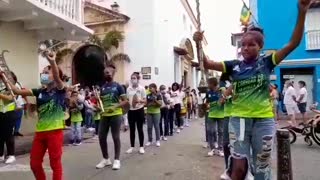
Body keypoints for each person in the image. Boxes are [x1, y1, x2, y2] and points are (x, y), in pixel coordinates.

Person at [193, 0, 310, 179]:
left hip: (263, 121)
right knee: (238, 168)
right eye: (243, 45)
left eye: (251, 45)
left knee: (261, 168)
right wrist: (198, 44)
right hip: (238, 120)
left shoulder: (267, 62)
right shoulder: (233, 66)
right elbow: (206, 63)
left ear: (260, 46)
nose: (245, 48)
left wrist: (302, 11)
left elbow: (292, 44)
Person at [7, 51, 66, 180]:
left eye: (46, 72)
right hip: (40, 132)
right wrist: (4, 77)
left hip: (55, 132)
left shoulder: (60, 90)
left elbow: (56, 77)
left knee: (54, 163)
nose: (43, 74)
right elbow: (16, 91)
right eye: (43, 72)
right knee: (34, 164)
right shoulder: (39, 91)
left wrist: (52, 62)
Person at [96, 63, 128, 170]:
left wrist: (115, 107)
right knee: (101, 137)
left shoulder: (118, 86)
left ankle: (117, 160)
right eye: (105, 73)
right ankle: (106, 159)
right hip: (104, 115)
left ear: (113, 73)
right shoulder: (102, 88)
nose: (106, 74)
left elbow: (125, 102)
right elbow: (100, 103)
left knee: (115, 137)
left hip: (116, 114)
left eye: (108, 72)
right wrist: (97, 108)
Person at [126, 72, 146, 154]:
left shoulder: (142, 89)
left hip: (139, 110)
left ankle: (141, 147)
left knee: (140, 129)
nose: (132, 80)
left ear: (138, 79)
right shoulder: (128, 89)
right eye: (132, 78)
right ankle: (132, 147)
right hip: (131, 111)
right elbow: (127, 100)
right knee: (132, 130)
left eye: (134, 78)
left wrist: (139, 100)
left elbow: (145, 101)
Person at [205, 77, 224, 157]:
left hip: (221, 114)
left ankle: (220, 149)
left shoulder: (221, 91)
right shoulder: (208, 92)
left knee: (221, 132)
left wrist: (221, 101)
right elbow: (206, 102)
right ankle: (212, 149)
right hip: (211, 114)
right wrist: (207, 105)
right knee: (210, 131)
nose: (208, 85)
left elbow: (224, 101)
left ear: (213, 84)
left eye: (209, 83)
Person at [219, 73, 233, 179]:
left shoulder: (241, 80)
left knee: (240, 144)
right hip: (228, 116)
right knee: (226, 143)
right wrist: (227, 94)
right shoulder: (223, 84)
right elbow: (222, 99)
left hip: (241, 115)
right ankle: (228, 169)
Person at [11, 71, 26, 137]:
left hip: (21, 103)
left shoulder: (19, 83)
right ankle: (12, 132)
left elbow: (23, 93)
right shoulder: (9, 85)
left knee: (19, 118)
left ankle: (16, 131)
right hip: (13, 104)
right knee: (13, 119)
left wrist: (26, 102)